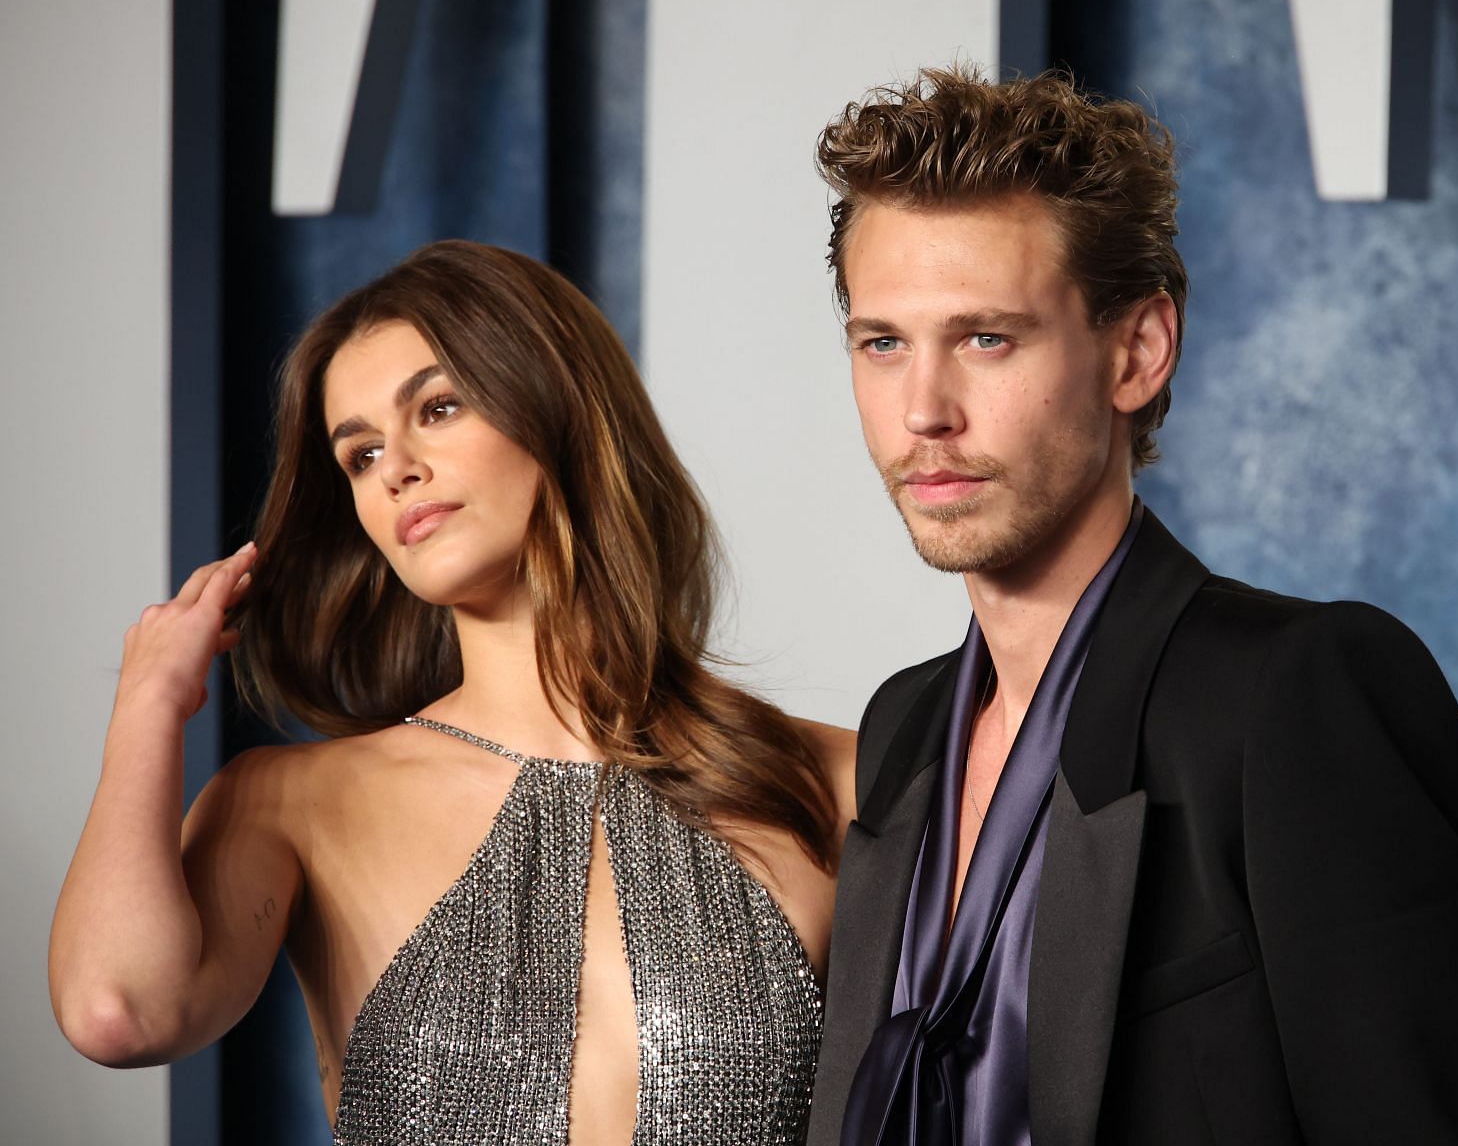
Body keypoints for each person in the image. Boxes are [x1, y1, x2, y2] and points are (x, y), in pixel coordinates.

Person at [806, 68, 1458, 1145]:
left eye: (986, 338)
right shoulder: (904, 730)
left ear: (1138, 350)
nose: (924, 411)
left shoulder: (1297, 694)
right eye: (883, 343)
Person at [49, 240, 856, 1144]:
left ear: (557, 407)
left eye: (438, 408)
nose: (395, 468)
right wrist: (149, 704)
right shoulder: (291, 804)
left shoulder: (836, 779)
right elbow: (117, 1012)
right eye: (358, 455)